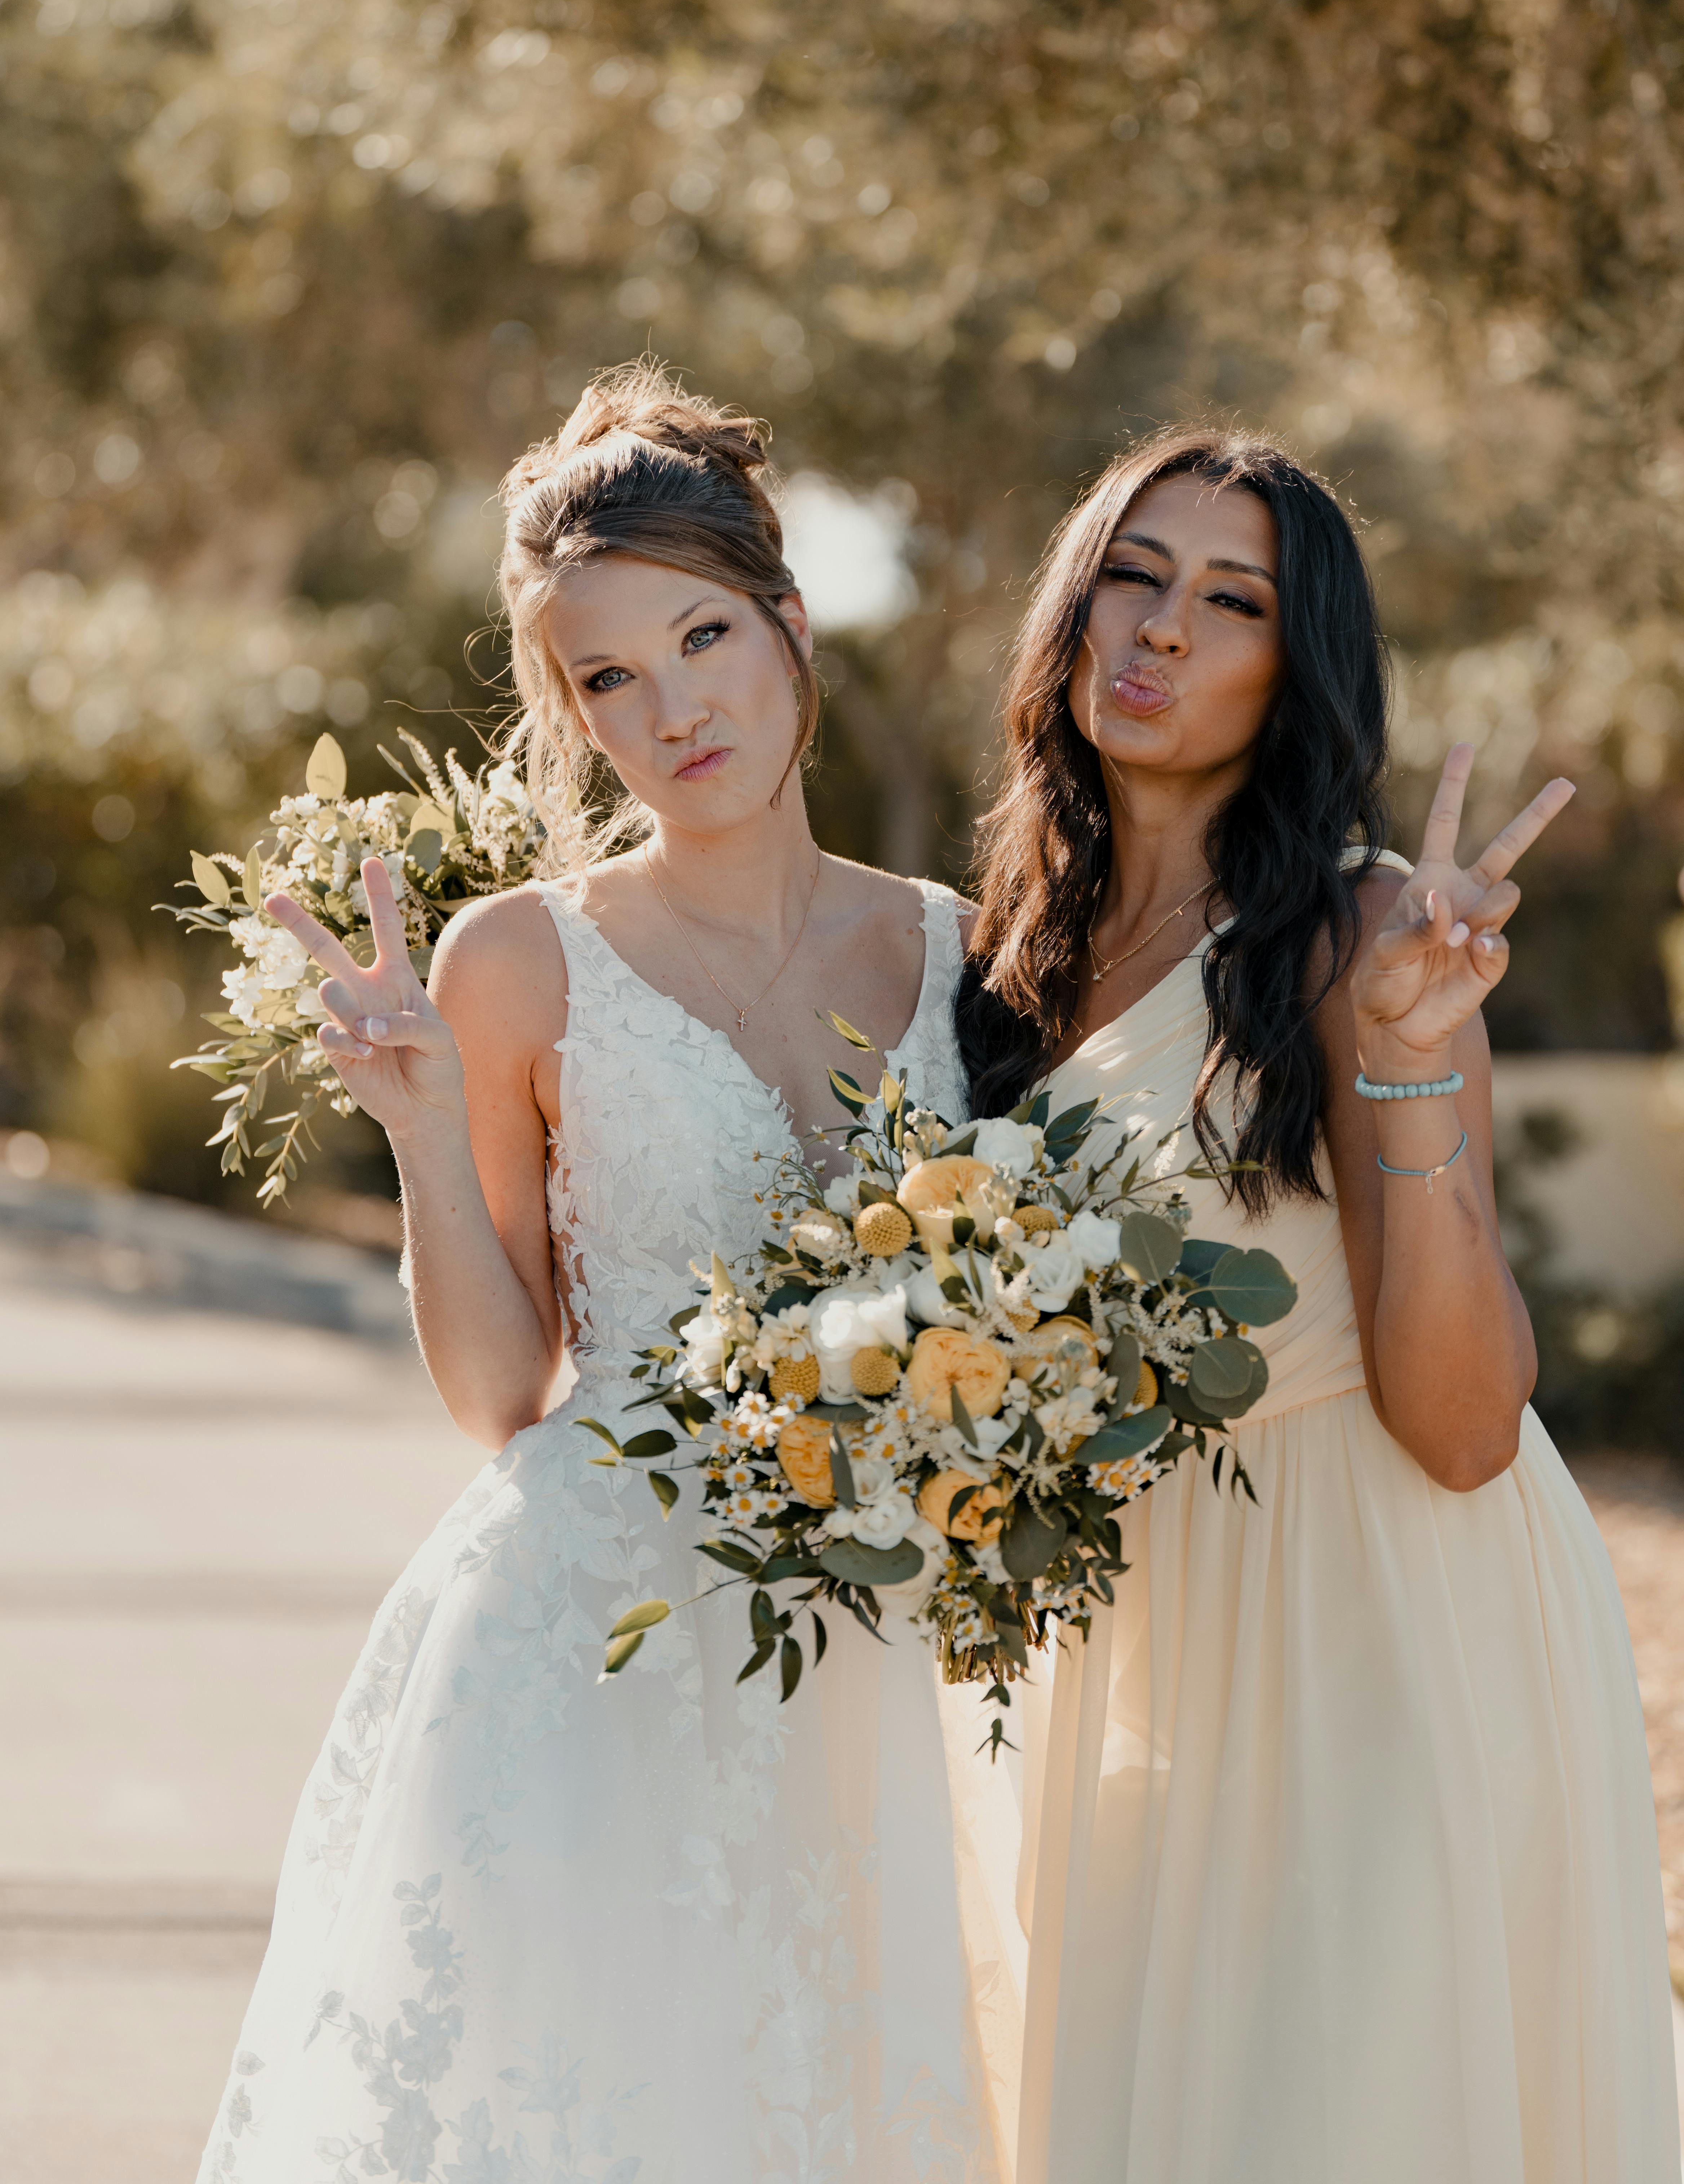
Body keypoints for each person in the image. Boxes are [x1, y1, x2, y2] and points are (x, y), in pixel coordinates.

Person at [198, 363, 1002, 2183]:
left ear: (792, 624)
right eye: (608, 681)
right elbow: (502, 1395)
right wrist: (416, 1129)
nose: (674, 710)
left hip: (882, 1654)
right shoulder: (519, 961)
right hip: (598, 1647)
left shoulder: (968, 951)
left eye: (704, 636)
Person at [957, 430, 1679, 2184]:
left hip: (1375, 1616)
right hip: (1138, 1647)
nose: (1159, 633)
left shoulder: (1360, 938)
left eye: (1230, 602)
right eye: (1133, 574)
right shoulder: (994, 963)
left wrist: (1413, 1062)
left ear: (1298, 666)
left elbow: (1458, 1429)